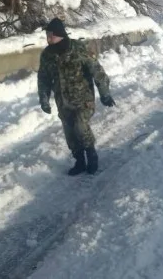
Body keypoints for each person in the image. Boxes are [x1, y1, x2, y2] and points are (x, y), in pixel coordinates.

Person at [37, 18, 115, 176]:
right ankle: (79, 161)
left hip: (83, 99)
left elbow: (97, 71)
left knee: (80, 126)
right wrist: (44, 99)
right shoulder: (47, 54)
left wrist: (105, 93)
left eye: (51, 35)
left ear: (59, 34)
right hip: (63, 101)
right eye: (47, 34)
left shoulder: (79, 48)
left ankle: (91, 155)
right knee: (70, 132)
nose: (48, 38)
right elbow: (43, 78)